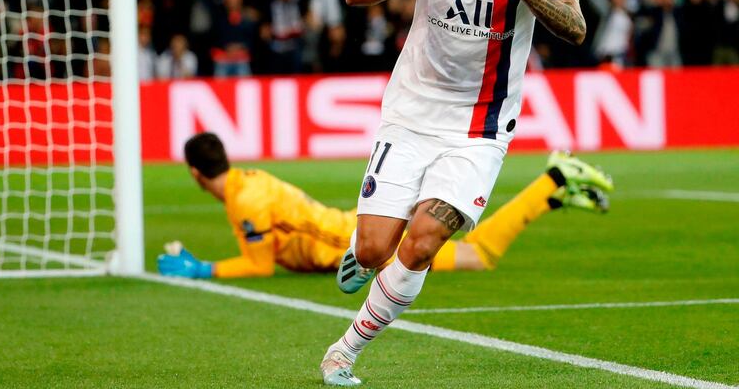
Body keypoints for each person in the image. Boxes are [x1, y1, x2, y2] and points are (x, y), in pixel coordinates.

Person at [319, 0, 588, 386]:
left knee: (423, 240)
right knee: (374, 249)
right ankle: (362, 248)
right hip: (412, 111)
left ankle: (343, 352)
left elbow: (576, 28)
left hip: (480, 127)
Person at [157, 133, 612, 280]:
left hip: (356, 244)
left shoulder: (245, 200)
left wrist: (201, 269)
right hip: (342, 237)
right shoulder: (246, 185)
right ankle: (555, 193)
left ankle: (553, 178)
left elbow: (259, 266)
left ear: (195, 173)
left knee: (480, 256)